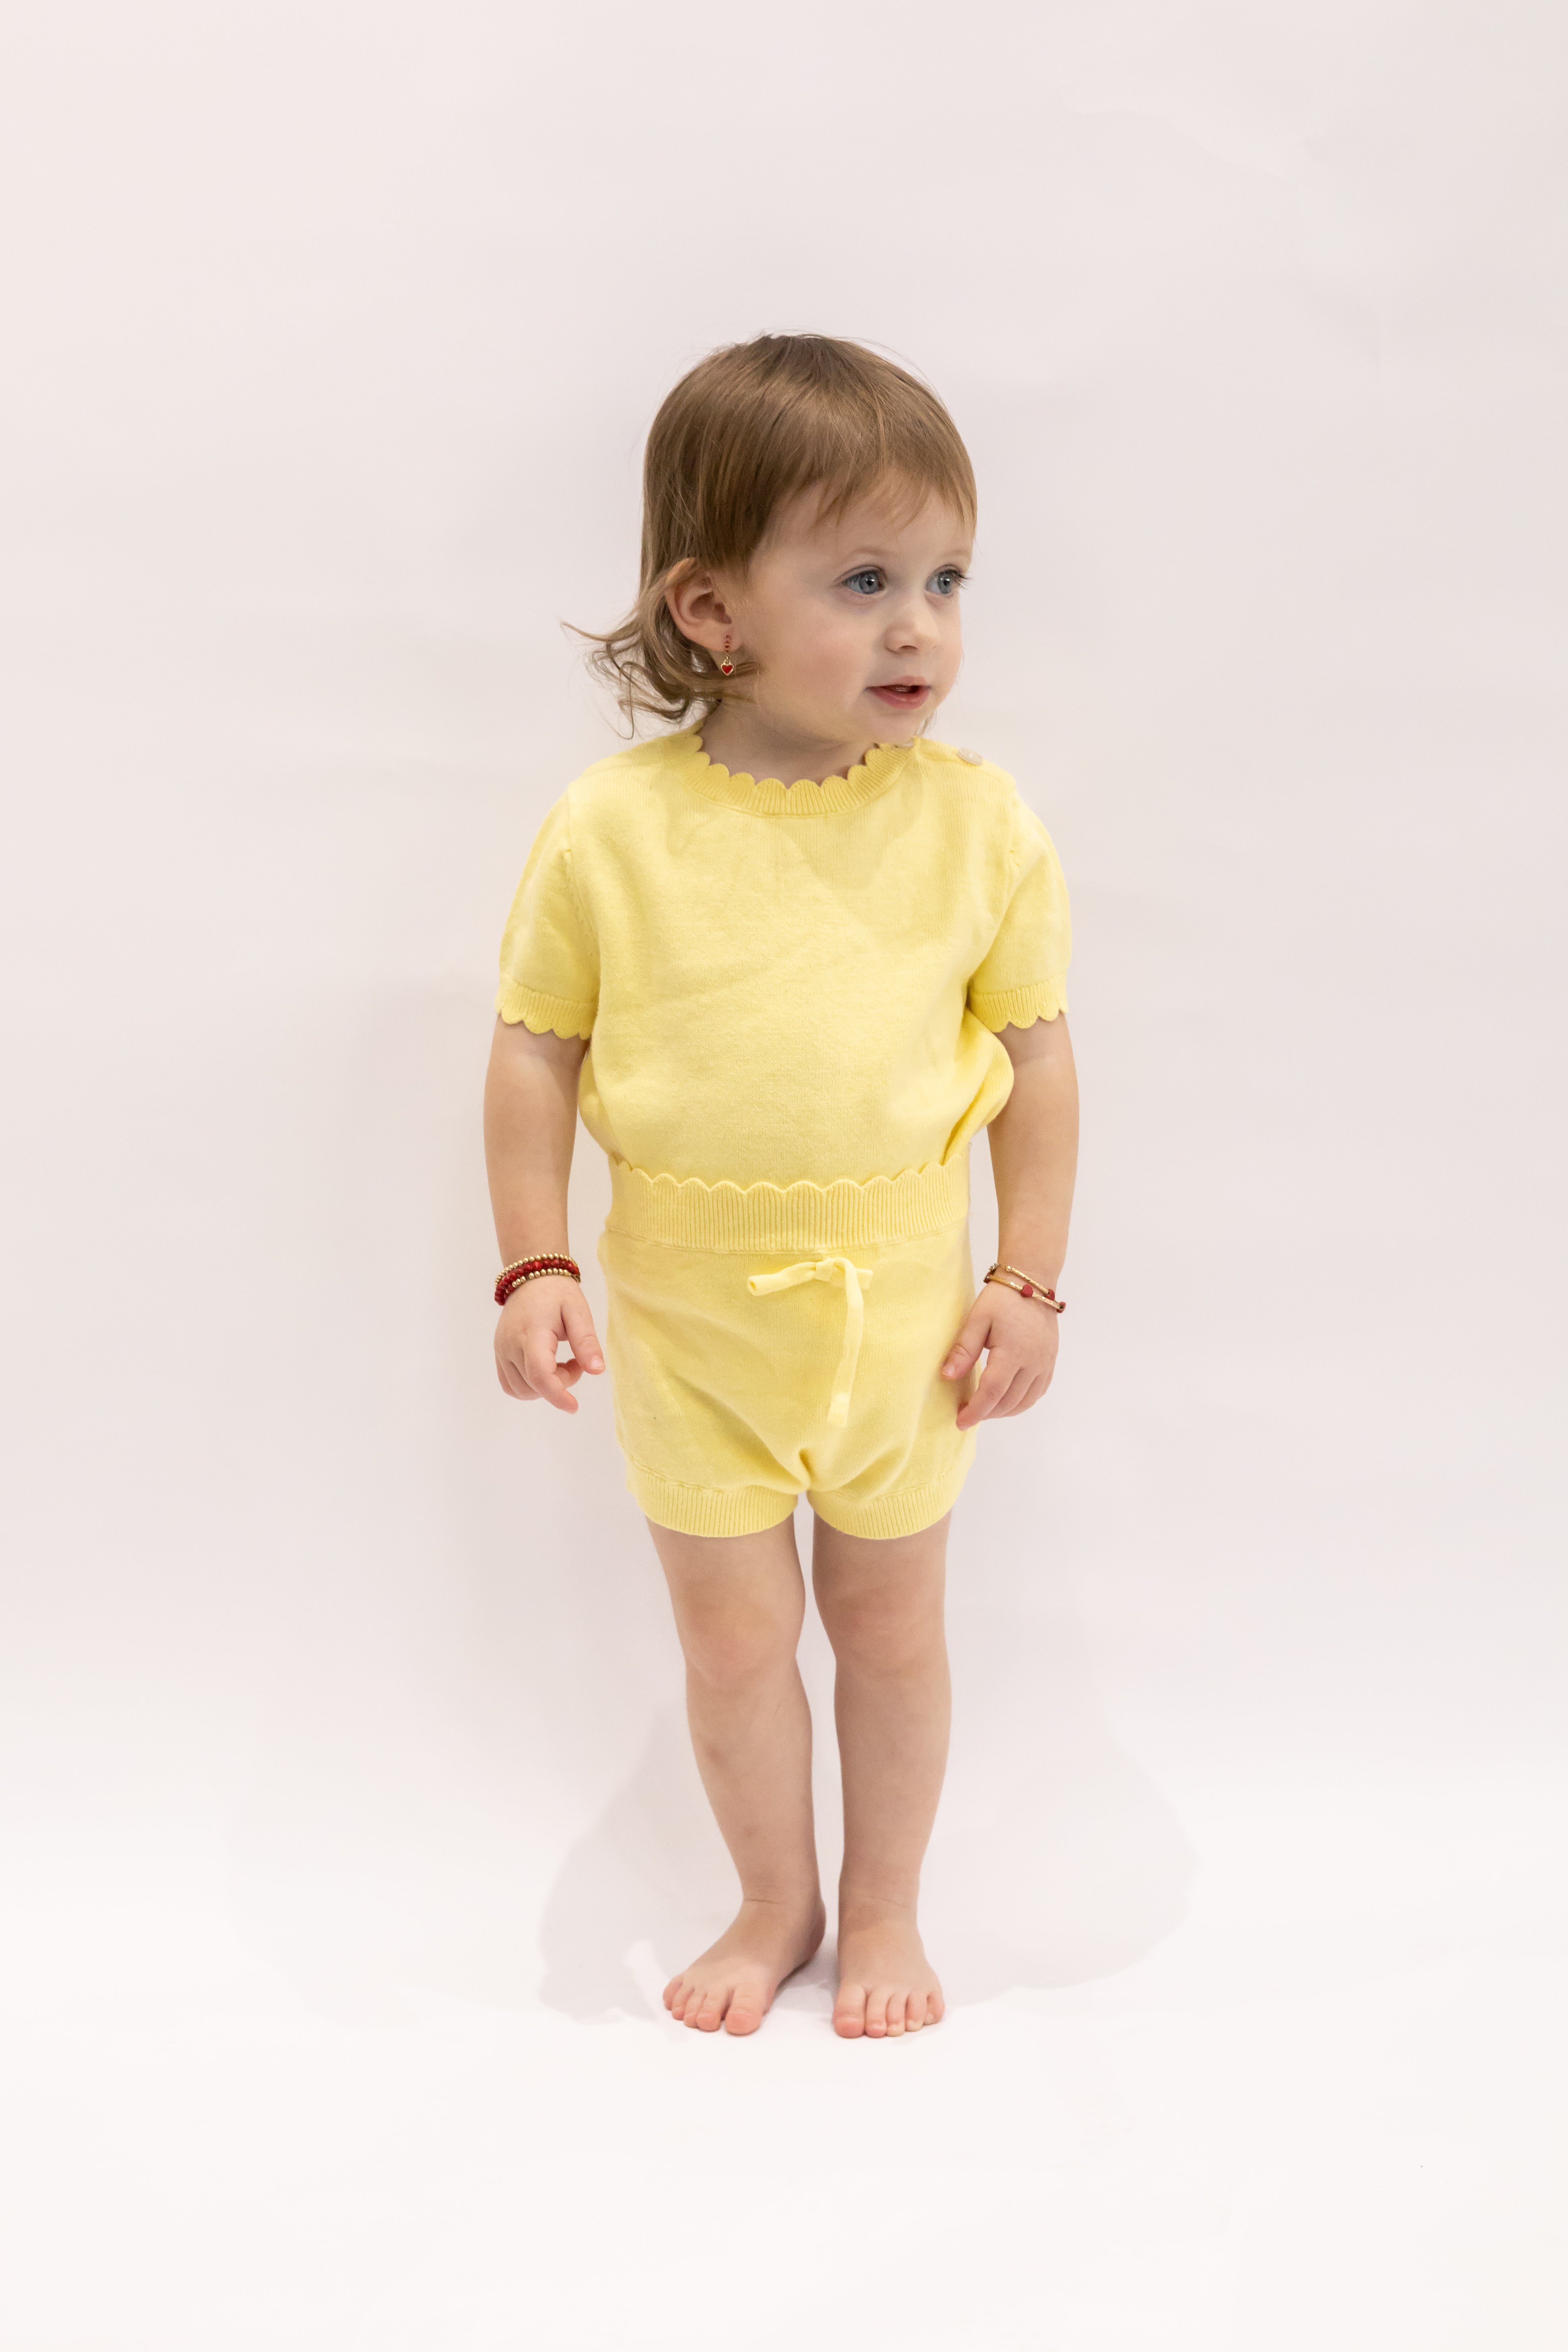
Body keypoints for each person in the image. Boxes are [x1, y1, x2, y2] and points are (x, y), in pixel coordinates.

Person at [483, 334, 1078, 2040]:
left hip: (903, 1320)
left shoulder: (978, 825)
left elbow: (1038, 1068)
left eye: (947, 580)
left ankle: (885, 1903)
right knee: (736, 1644)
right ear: (711, 609)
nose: (920, 628)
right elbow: (534, 1054)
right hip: (689, 1324)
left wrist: (1025, 1280)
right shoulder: (611, 830)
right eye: (865, 580)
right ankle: (773, 1896)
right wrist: (534, 1265)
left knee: (889, 1628)